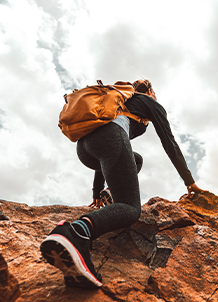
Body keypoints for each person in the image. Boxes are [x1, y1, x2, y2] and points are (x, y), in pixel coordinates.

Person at [40, 79, 206, 289]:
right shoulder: (150, 103)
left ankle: (109, 193)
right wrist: (189, 181)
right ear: (151, 91)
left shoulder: (122, 101)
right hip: (110, 139)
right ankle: (76, 233)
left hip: (85, 148)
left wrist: (97, 191)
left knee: (136, 159)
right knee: (129, 208)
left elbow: (105, 151)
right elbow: (169, 142)